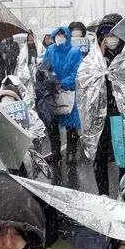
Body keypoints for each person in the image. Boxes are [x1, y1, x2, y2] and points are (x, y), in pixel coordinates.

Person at [76, 13, 125, 196]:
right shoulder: (91, 61)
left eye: (113, 33)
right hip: (98, 120)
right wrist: (102, 65)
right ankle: (103, 195)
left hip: (120, 117)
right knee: (98, 156)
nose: (110, 39)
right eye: (106, 34)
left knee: (123, 157)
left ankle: (122, 194)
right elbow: (82, 83)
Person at [37, 26, 83, 171]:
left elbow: (76, 73)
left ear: (68, 36)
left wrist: (61, 83)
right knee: (52, 124)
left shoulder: (75, 52)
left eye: (63, 34)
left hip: (68, 92)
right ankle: (56, 152)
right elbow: (44, 68)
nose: (60, 37)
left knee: (71, 125)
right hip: (51, 92)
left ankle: (71, 153)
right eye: (58, 34)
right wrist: (50, 81)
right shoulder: (50, 50)